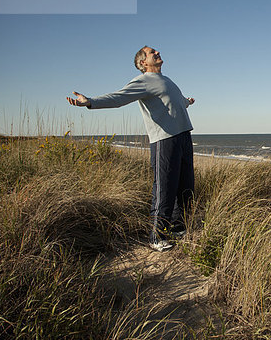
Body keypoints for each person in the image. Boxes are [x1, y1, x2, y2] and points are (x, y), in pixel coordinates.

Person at [67, 46, 195, 252]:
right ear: (143, 63)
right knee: (164, 188)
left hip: (183, 136)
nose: (157, 52)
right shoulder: (143, 81)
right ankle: (157, 236)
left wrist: (186, 102)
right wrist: (90, 102)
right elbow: (118, 98)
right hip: (164, 140)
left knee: (185, 185)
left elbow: (176, 102)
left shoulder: (167, 80)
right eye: (152, 52)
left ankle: (178, 228)